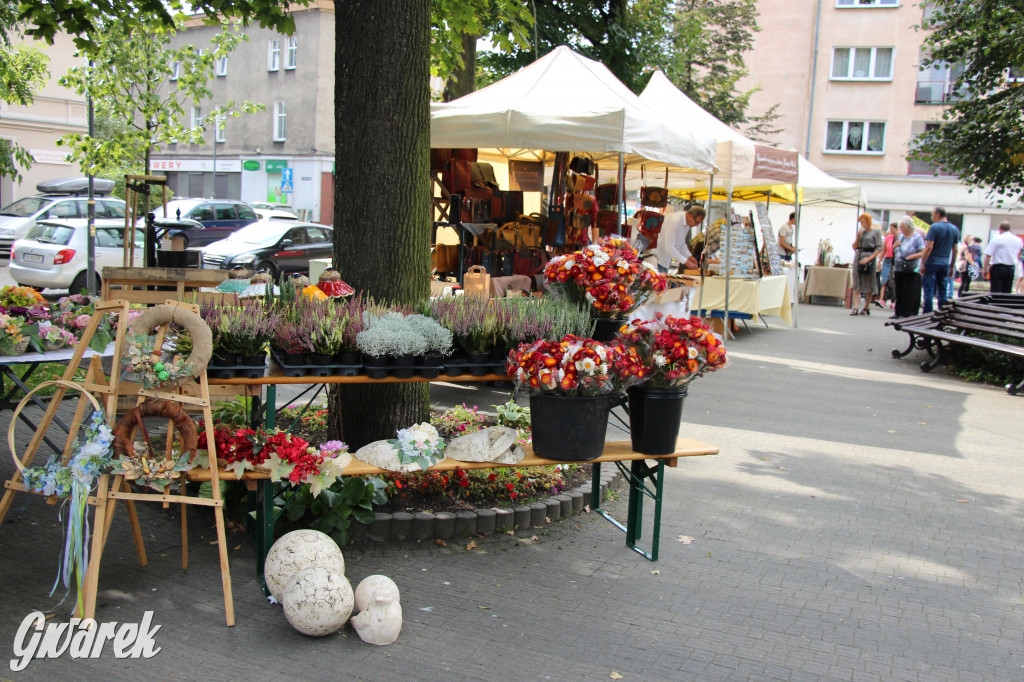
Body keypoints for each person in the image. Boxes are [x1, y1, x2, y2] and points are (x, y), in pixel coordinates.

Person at [918, 206, 959, 313]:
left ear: (938, 214)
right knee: (942, 291)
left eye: (932, 215)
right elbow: (955, 250)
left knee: (929, 291)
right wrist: (952, 266)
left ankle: (927, 314)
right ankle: (942, 313)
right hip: (945, 263)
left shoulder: (934, 227)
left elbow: (929, 247)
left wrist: (922, 263)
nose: (931, 217)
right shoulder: (954, 229)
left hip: (932, 263)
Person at [892, 216, 925, 319]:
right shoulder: (900, 236)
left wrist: (912, 256)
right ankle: (898, 312)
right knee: (899, 290)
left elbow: (923, 252)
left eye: (902, 227)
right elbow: (894, 249)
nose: (901, 229)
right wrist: (894, 246)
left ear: (909, 226)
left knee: (908, 290)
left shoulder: (917, 237)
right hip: (899, 266)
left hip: (911, 267)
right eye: (900, 227)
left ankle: (906, 312)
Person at [651, 206, 701, 273]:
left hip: (665, 260)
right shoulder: (675, 221)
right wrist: (686, 262)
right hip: (658, 259)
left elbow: (681, 243)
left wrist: (689, 256)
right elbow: (669, 247)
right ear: (691, 216)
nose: (697, 225)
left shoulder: (687, 223)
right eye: (697, 222)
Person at [850, 212, 882, 316]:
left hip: (869, 256)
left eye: (862, 222)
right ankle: (855, 307)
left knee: (869, 282)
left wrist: (870, 258)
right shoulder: (861, 233)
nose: (861, 224)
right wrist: (858, 237)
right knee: (856, 281)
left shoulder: (876, 232)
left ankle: (866, 306)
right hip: (859, 255)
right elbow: (854, 247)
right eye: (860, 222)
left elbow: (879, 248)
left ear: (868, 222)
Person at [982, 221, 1023, 293]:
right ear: (1010, 228)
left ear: (999, 228)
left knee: (996, 290)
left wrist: (985, 269)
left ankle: (996, 300)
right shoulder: (1018, 240)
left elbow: (988, 255)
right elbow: (1019, 252)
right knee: (1007, 291)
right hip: (1010, 268)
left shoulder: (996, 239)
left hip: (998, 267)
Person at [877, 222, 898, 308]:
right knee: (885, 279)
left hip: (896, 260)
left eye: (892, 229)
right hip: (887, 260)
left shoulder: (900, 238)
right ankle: (882, 299)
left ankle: (894, 300)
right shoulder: (888, 238)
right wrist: (879, 261)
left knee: (894, 281)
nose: (891, 231)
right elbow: (883, 250)